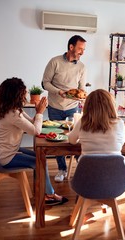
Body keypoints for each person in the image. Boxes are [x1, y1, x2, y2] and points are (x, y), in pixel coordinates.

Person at [0, 77, 68, 205]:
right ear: (16, 95)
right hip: (5, 156)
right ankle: (49, 195)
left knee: (40, 156)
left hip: (4, 151)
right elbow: (36, 131)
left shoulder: (11, 109)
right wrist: (40, 112)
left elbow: (32, 124)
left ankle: (42, 190)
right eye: (24, 92)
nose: (26, 95)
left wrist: (38, 111)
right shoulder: (13, 114)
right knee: (40, 160)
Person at [42, 35, 87, 182]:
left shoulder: (82, 67)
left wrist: (81, 97)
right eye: (80, 48)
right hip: (55, 106)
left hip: (72, 108)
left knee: (75, 138)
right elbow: (45, 83)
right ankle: (62, 169)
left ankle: (80, 169)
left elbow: (81, 88)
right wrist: (59, 92)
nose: (82, 52)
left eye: (84, 49)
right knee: (56, 139)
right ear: (71, 47)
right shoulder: (55, 62)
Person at [68, 89, 125, 155]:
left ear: (87, 106)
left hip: (88, 164)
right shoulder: (119, 123)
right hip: (115, 164)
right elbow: (121, 143)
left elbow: (72, 141)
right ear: (111, 105)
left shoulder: (83, 122)